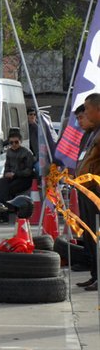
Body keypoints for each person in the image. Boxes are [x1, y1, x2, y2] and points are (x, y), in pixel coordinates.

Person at [75, 95, 100, 291]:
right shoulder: (92, 133)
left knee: (96, 233)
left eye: (87, 109)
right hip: (84, 188)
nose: (85, 113)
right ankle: (94, 274)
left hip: (95, 190)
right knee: (89, 234)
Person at [0, 130, 34, 223]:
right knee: (1, 183)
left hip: (24, 178)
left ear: (20, 142)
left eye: (16, 142)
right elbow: (6, 166)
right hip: (12, 177)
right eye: (11, 142)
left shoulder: (27, 153)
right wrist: (7, 174)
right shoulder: (9, 152)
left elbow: (29, 170)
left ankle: (4, 214)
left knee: (7, 189)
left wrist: (15, 174)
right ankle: (3, 211)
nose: (14, 144)